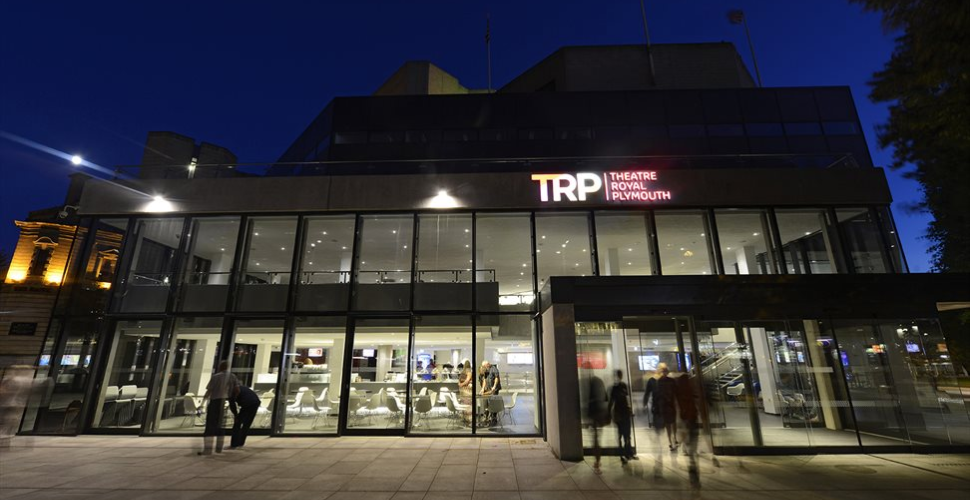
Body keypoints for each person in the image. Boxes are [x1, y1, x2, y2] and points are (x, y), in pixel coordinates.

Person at [198, 360, 239, 456]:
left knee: (210, 426)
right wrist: (233, 399)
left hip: (215, 401)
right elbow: (237, 389)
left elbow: (209, 391)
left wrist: (202, 403)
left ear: (220, 367)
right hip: (225, 401)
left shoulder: (215, 377)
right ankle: (219, 448)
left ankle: (207, 449)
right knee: (221, 425)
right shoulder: (232, 376)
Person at [644, 363, 678, 451]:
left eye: (664, 370)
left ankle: (672, 439)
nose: (663, 372)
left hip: (668, 405)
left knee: (671, 422)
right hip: (663, 406)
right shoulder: (657, 381)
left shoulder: (666, 381)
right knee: (668, 423)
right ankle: (671, 440)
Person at [676, 370, 701, 487]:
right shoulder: (691, 393)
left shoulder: (681, 395)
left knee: (689, 443)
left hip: (686, 420)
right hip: (692, 420)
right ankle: (692, 461)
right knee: (693, 444)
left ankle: (691, 460)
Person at [609, 369, 637, 463]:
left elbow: (626, 399)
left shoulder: (623, 386)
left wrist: (630, 409)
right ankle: (623, 453)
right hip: (619, 413)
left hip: (624, 412)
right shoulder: (615, 388)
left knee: (627, 434)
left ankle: (627, 452)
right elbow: (612, 401)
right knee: (621, 434)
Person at [586, 373, 609, 474]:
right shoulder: (599, 383)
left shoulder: (591, 385)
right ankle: (597, 460)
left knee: (595, 439)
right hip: (599, 415)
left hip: (595, 416)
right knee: (597, 438)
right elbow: (606, 399)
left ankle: (597, 460)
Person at [228, 384, 261, 449]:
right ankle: (240, 442)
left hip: (248, 404)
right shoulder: (241, 388)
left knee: (237, 424)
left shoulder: (232, 391)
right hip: (255, 402)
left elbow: (232, 404)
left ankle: (234, 443)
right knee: (247, 424)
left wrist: (236, 415)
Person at [481, 360, 502, 426]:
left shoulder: (494, 369)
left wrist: (494, 386)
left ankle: (494, 418)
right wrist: (482, 388)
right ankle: (486, 417)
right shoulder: (486, 370)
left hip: (494, 390)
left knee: (493, 403)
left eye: (484, 366)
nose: (484, 367)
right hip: (488, 390)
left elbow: (496, 378)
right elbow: (485, 379)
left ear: (488, 364)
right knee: (486, 403)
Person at [457, 358, 474, 425]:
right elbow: (467, 380)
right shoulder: (469, 371)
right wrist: (462, 384)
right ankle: (468, 419)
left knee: (464, 404)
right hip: (466, 390)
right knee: (468, 405)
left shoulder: (463, 372)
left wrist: (460, 384)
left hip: (463, 390)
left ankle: (465, 418)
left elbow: (462, 380)